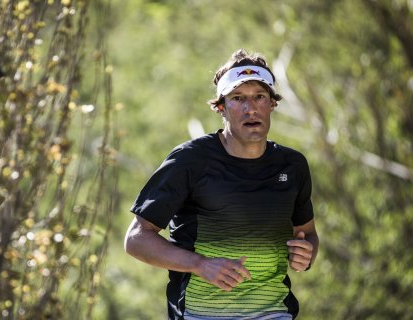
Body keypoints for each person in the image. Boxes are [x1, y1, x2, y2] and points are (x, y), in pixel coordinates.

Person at [124, 49, 319, 320]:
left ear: (272, 104)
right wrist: (200, 265)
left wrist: (306, 254)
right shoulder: (190, 160)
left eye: (259, 97)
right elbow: (136, 239)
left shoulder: (292, 165)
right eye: (238, 98)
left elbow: (307, 234)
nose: (251, 108)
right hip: (200, 313)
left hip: (275, 312)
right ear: (221, 107)